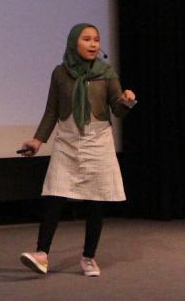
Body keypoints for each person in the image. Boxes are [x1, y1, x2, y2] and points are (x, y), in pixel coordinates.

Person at [18, 23, 135, 277]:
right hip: (67, 141)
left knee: (96, 201)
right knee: (54, 195)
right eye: (86, 39)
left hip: (98, 141)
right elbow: (52, 110)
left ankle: (89, 257)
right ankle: (42, 254)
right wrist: (38, 140)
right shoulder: (60, 73)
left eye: (96, 40)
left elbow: (117, 110)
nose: (93, 44)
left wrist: (127, 101)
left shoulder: (106, 73)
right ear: (74, 42)